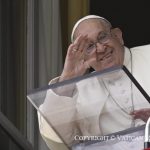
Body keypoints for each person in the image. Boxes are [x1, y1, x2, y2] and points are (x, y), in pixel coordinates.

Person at [38, 15, 150, 150]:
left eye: (102, 37)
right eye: (89, 46)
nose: (101, 49)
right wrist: (68, 79)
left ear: (117, 36)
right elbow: (59, 141)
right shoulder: (80, 90)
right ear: (82, 55)